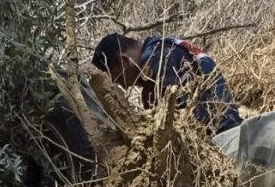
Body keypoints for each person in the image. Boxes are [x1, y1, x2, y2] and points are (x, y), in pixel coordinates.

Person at [92, 32, 242, 134]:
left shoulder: (155, 59)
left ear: (123, 60)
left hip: (224, 135)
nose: (117, 82)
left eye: (115, 74)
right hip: (229, 127)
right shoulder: (162, 47)